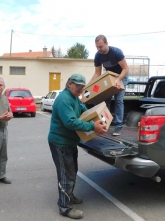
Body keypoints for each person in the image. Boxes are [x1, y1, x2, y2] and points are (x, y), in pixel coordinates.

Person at [48, 73, 107, 219]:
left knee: (73, 171)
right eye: (78, 86)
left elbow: (83, 111)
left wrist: (96, 117)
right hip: (60, 143)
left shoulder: (74, 98)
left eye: (82, 87)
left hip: (70, 142)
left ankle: (69, 196)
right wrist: (92, 126)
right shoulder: (64, 100)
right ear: (69, 84)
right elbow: (70, 122)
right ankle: (64, 207)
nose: (81, 89)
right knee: (66, 175)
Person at [93, 34, 129, 136]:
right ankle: (105, 124)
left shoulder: (116, 52)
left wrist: (118, 79)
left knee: (118, 100)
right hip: (109, 77)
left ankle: (118, 127)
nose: (99, 49)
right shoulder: (98, 56)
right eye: (97, 47)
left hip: (122, 75)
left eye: (101, 46)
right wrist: (88, 87)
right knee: (105, 100)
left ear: (106, 43)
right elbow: (97, 74)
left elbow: (126, 68)